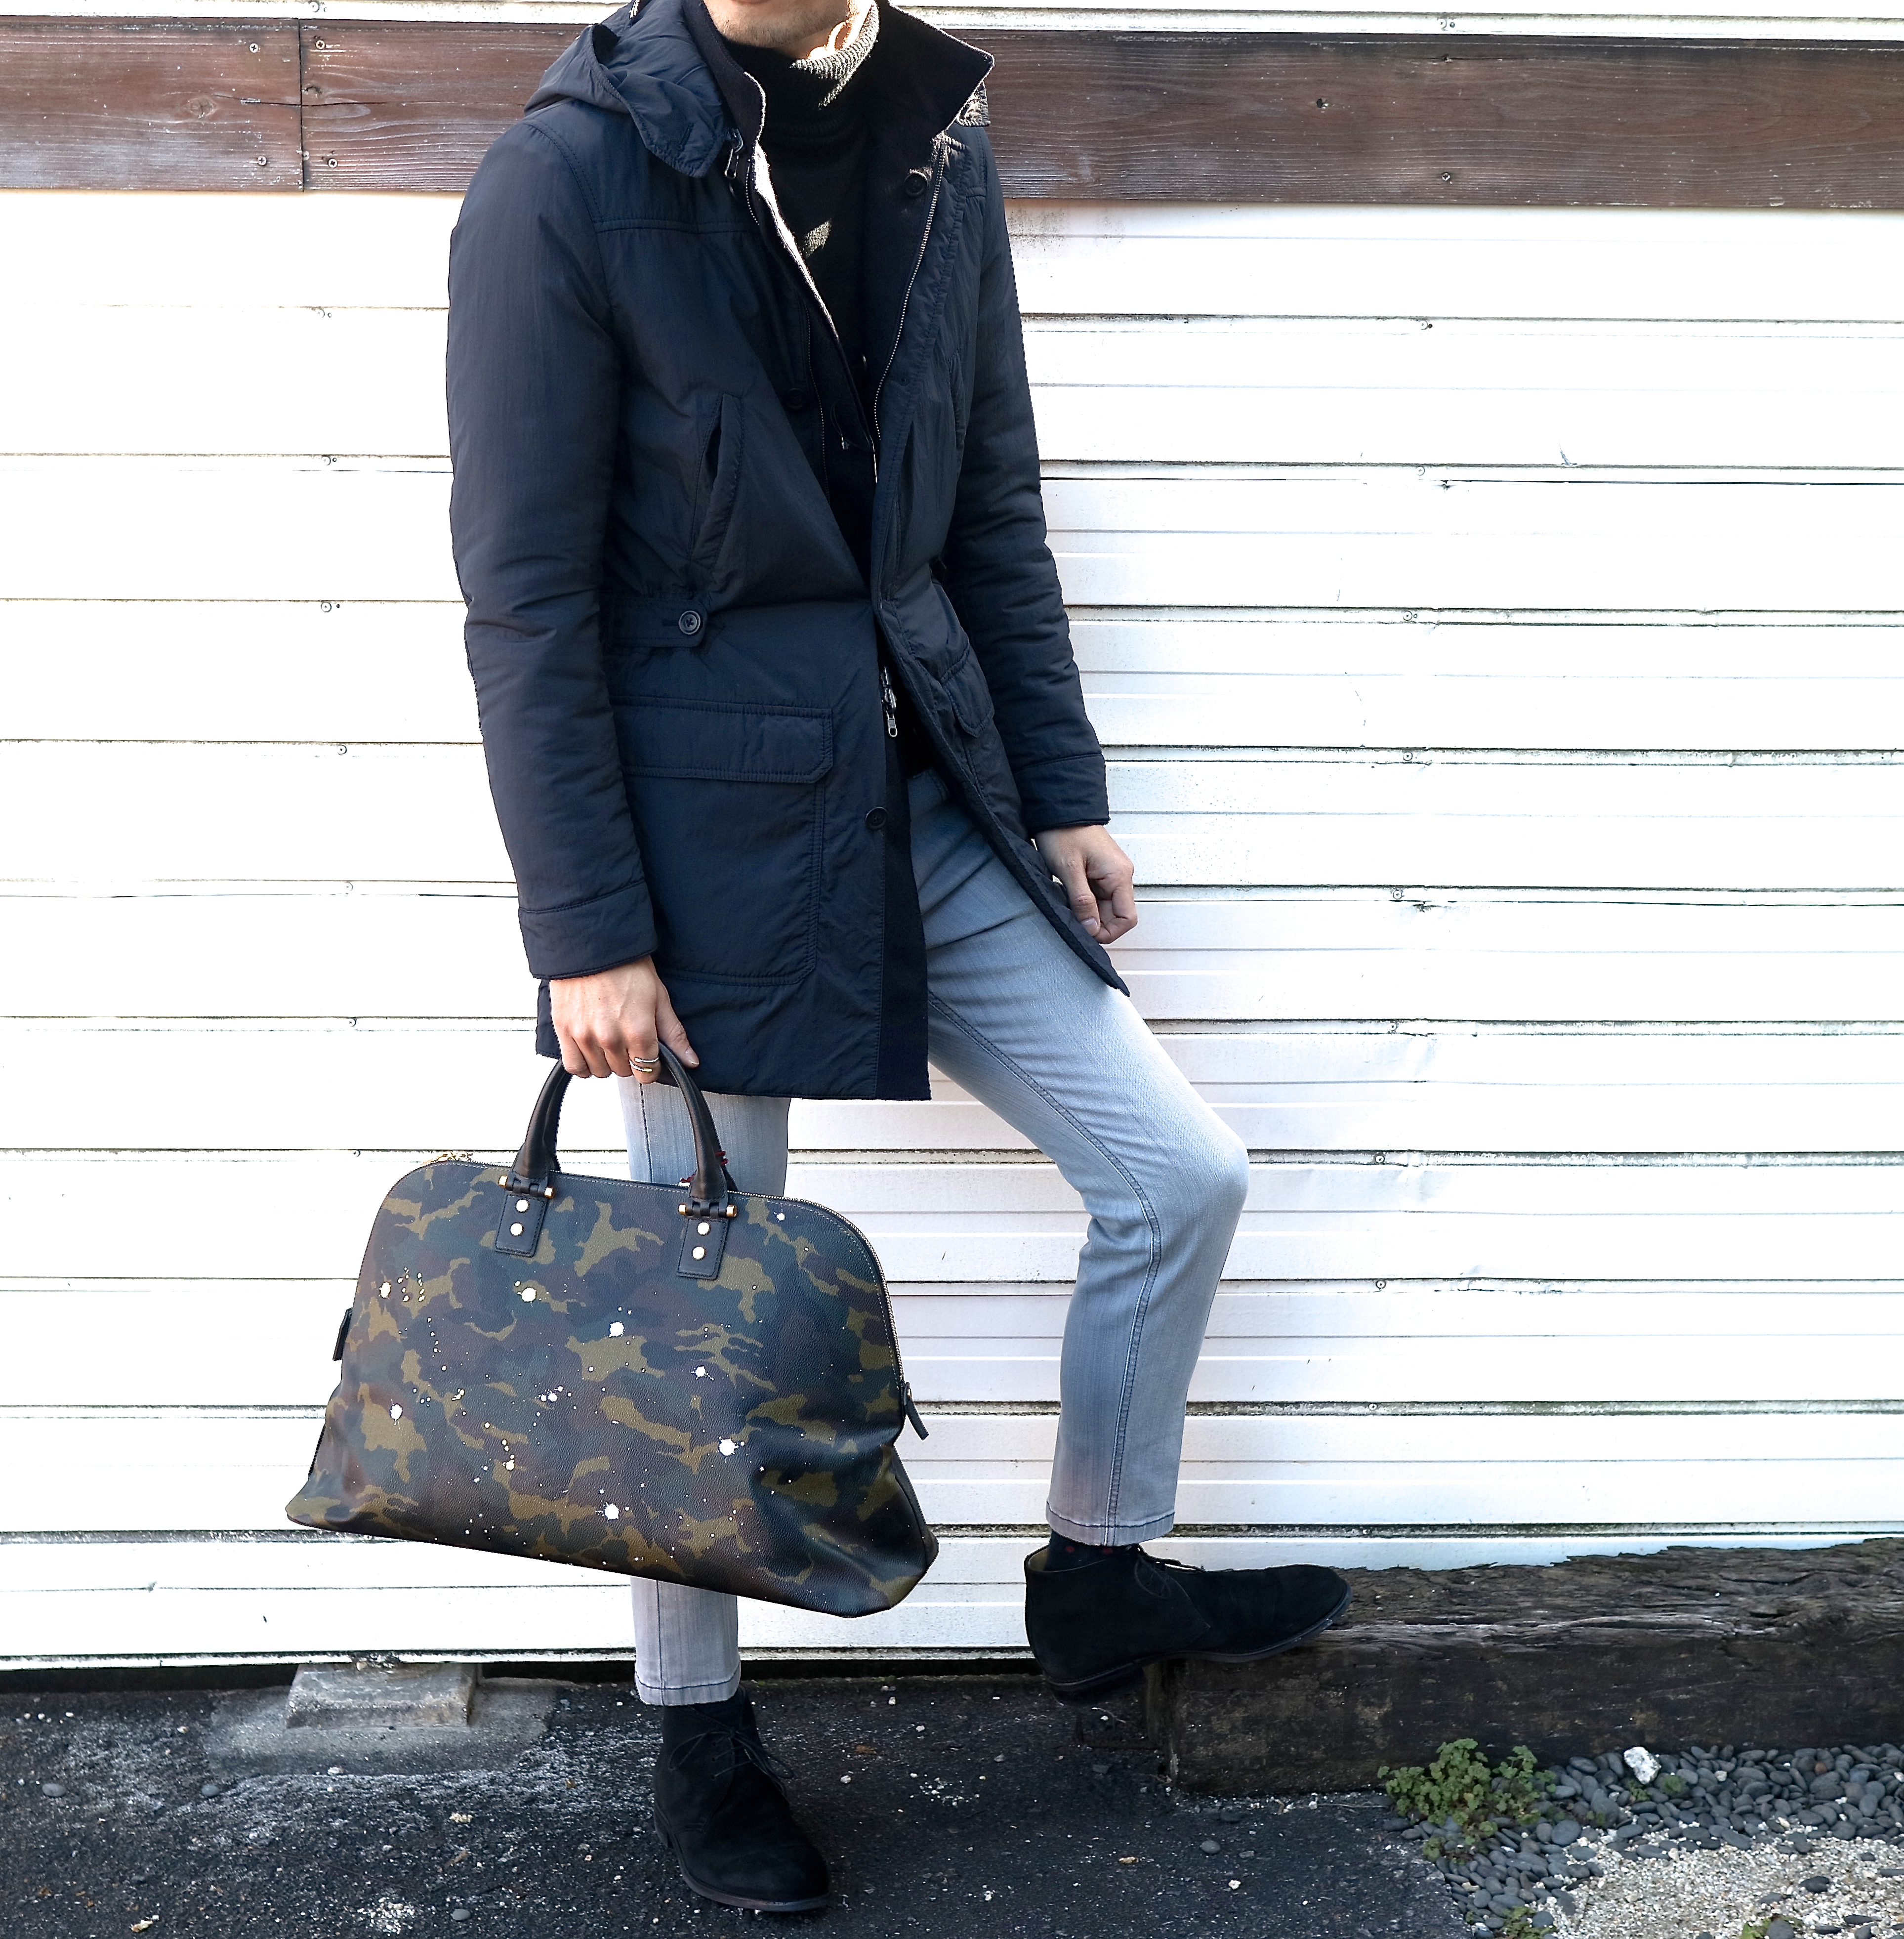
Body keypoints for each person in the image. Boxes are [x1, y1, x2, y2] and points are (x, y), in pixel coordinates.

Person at [446, 0, 1351, 1910]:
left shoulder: (939, 136)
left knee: (1177, 1173)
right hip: (699, 843)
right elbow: (524, 593)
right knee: (701, 1312)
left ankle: (1094, 1573)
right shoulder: (564, 173)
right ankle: (698, 1736)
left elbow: (990, 500)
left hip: (926, 780)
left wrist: (1059, 789)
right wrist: (587, 931)